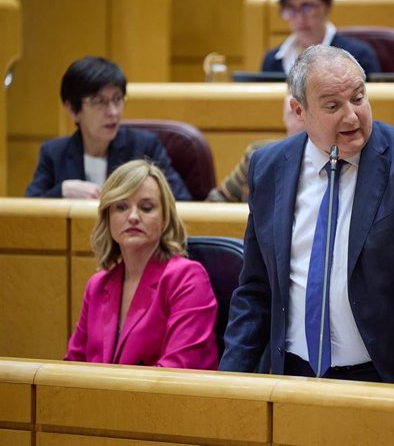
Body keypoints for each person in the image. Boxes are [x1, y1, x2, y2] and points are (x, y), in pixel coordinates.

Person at [219, 45, 394, 389]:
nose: (351, 116)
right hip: (297, 378)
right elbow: (256, 288)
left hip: (391, 376)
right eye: (333, 106)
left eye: (358, 98)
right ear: (299, 111)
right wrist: (228, 382)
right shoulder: (268, 167)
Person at [65, 159, 217, 368]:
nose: (133, 217)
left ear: (164, 218)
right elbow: (71, 369)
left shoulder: (187, 278)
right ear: (108, 217)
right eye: (121, 207)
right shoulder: (97, 286)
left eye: (146, 207)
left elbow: (178, 373)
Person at [25, 56, 191, 200]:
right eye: (99, 101)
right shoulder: (53, 153)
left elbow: (182, 202)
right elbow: (28, 214)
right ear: (72, 110)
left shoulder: (144, 147)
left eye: (117, 99)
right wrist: (62, 191)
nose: (113, 112)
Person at [261, 0, 380, 77]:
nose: (300, 18)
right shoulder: (272, 61)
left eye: (308, 7)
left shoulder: (358, 55)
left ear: (328, 4)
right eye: (290, 8)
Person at [206, 94, 304, 202]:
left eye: (302, 111)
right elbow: (218, 198)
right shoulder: (258, 155)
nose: (300, 120)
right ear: (284, 117)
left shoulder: (324, 163)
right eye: (293, 113)